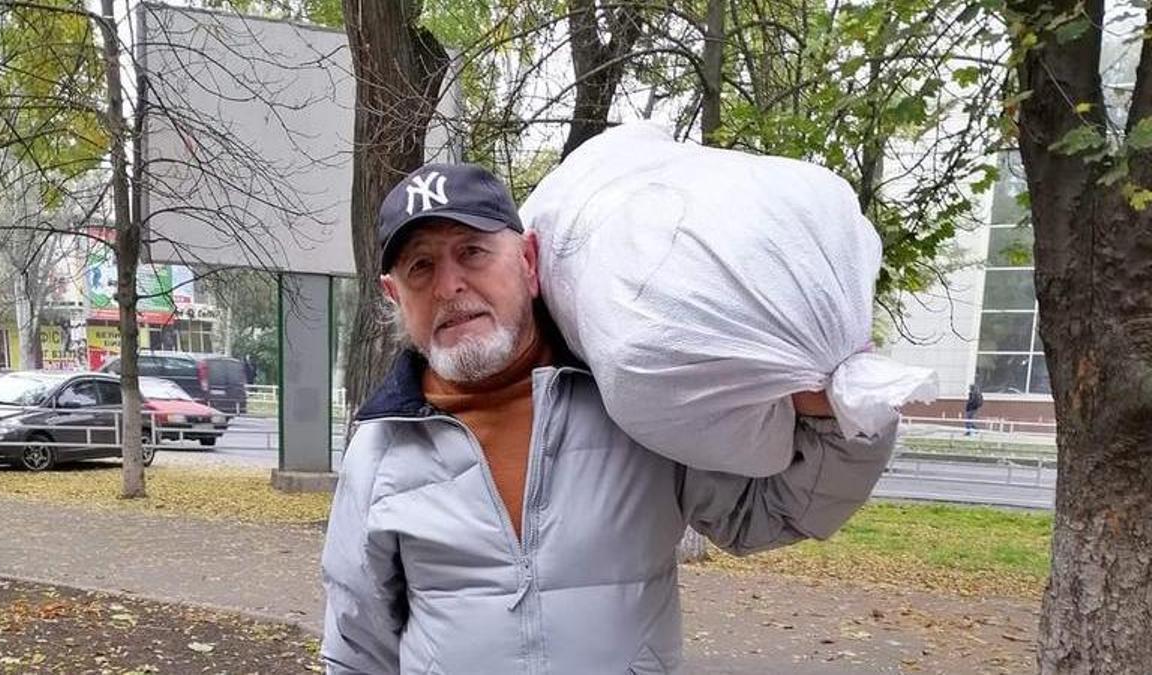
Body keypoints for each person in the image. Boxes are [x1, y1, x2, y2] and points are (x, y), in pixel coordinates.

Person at [321, 163, 898, 674]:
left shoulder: (634, 403)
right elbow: (357, 647)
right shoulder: (381, 449)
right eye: (421, 267)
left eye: (471, 251)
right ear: (394, 295)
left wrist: (835, 412)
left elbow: (766, 516)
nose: (449, 285)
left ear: (527, 261)